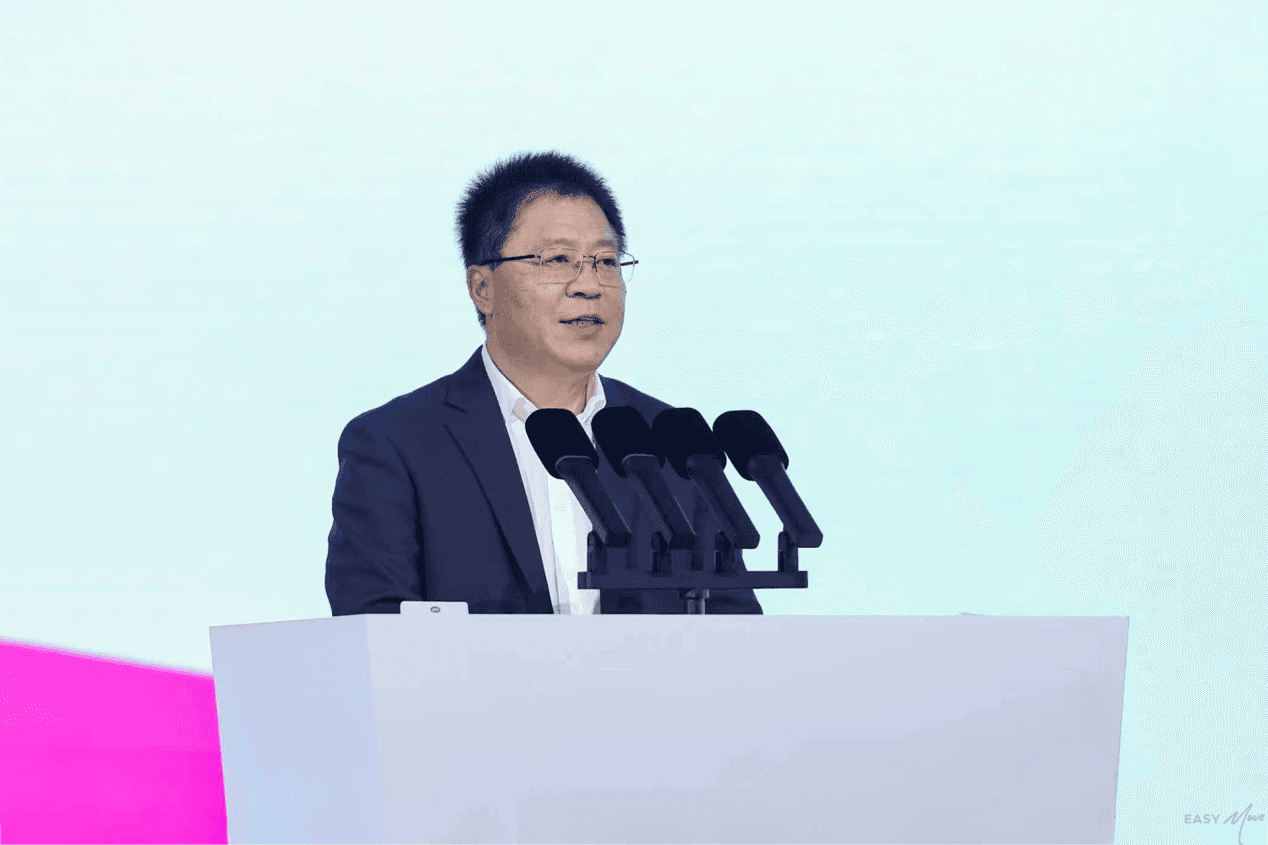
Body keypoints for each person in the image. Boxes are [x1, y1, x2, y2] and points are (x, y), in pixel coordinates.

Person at [325, 151, 762, 616]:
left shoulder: (671, 443)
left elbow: (735, 628)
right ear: (482, 288)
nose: (589, 284)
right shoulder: (397, 444)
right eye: (557, 259)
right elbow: (373, 631)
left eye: (606, 261)